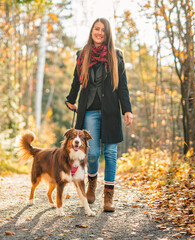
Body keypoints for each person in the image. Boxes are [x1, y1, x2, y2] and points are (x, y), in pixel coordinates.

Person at [65, 18, 133, 212]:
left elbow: (123, 86)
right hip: (90, 110)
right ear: (92, 31)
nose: (100, 32)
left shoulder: (116, 55)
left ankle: (108, 197)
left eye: (103, 30)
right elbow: (76, 81)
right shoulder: (83, 54)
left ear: (108, 33)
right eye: (97, 29)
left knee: (111, 153)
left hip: (111, 111)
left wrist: (127, 110)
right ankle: (92, 182)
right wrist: (70, 99)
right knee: (92, 153)